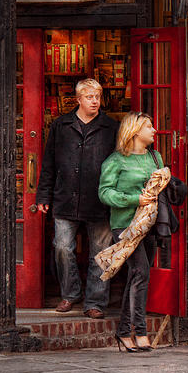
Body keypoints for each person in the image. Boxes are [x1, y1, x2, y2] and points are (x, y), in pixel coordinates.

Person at [37, 78, 119, 319]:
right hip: (65, 197)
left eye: (98, 97)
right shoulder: (60, 126)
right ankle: (70, 294)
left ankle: (95, 301)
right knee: (62, 248)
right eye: (90, 97)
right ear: (79, 100)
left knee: (100, 252)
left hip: (100, 199)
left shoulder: (110, 127)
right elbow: (48, 163)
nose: (95, 101)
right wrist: (43, 194)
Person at [98, 112, 160, 352]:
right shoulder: (116, 161)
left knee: (138, 275)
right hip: (125, 225)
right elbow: (105, 193)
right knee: (140, 272)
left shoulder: (155, 157)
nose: (154, 130)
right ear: (135, 132)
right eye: (149, 126)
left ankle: (125, 332)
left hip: (149, 224)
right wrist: (135, 199)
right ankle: (139, 330)